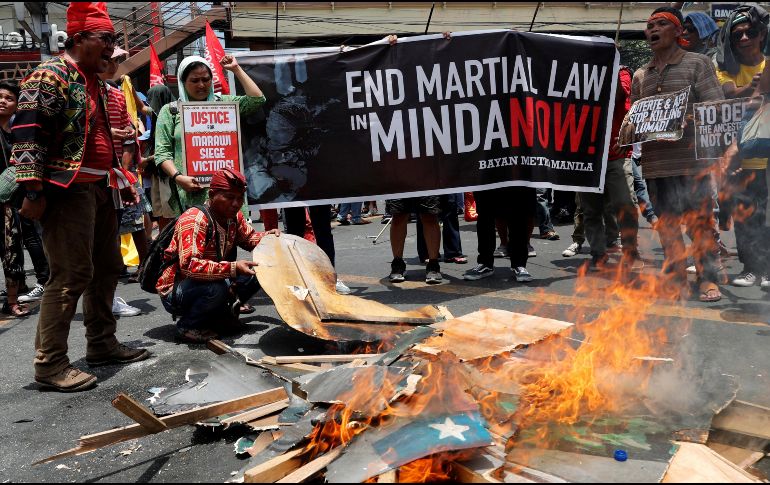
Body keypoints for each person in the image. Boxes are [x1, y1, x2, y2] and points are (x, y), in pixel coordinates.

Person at [10, 2, 149, 392]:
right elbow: (28, 135)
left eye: (113, 40)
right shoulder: (49, 76)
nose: (111, 47)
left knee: (107, 267)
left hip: (101, 186)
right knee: (71, 274)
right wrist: (33, 190)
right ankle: (50, 364)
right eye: (105, 39)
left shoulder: (95, 81)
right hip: (66, 191)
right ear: (78, 38)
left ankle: (102, 344)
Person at [631, 7, 725, 302]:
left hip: (691, 163)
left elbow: (717, 106)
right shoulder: (640, 75)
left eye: (661, 24)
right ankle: (676, 278)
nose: (653, 30)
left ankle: (708, 279)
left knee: (700, 225)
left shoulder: (698, 64)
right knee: (667, 227)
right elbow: (635, 117)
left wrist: (688, 119)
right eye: (649, 26)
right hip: (656, 165)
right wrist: (631, 131)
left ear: (678, 31)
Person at [156, 168, 279, 343]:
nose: (236, 204)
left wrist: (269, 238)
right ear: (212, 194)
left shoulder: (233, 217)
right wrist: (233, 268)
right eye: (229, 197)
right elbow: (190, 266)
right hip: (177, 289)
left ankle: (220, 318)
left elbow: (250, 239)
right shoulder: (195, 219)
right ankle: (188, 326)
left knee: (259, 271)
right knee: (216, 288)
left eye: (239, 198)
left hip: (214, 279)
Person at [154, 55, 266, 216]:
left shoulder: (225, 104)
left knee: (232, 238)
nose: (201, 85)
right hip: (192, 193)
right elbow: (162, 153)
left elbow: (257, 100)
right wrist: (178, 177)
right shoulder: (171, 111)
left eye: (206, 79)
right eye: (194, 80)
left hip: (229, 193)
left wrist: (236, 69)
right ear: (182, 82)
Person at [716, 5, 770, 288]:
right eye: (738, 35)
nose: (745, 38)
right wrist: (754, 90)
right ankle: (751, 268)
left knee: (765, 216)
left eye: (752, 32)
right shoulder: (725, 69)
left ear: (763, 35)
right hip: (740, 157)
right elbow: (728, 98)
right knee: (746, 214)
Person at [580, 66, 642, 271]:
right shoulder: (575, 73)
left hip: (615, 154)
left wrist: (608, 65)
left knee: (625, 204)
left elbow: (618, 93)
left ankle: (630, 251)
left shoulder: (621, 71)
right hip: (585, 157)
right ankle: (598, 253)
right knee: (590, 210)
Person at [463, 187, 536, 282]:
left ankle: (519, 264)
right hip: (486, 177)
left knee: (518, 212)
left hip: (514, 178)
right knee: (485, 214)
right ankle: (485, 263)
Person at [0, 81, 29, 317]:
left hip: (9, 202)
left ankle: (11, 301)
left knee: (12, 250)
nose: (3, 101)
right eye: (0, 97)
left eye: (9, 98)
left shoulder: (19, 134)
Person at [387, 196, 443, 284]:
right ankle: (397, 264)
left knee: (429, 215)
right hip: (398, 183)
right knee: (398, 215)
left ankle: (433, 264)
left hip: (426, 183)